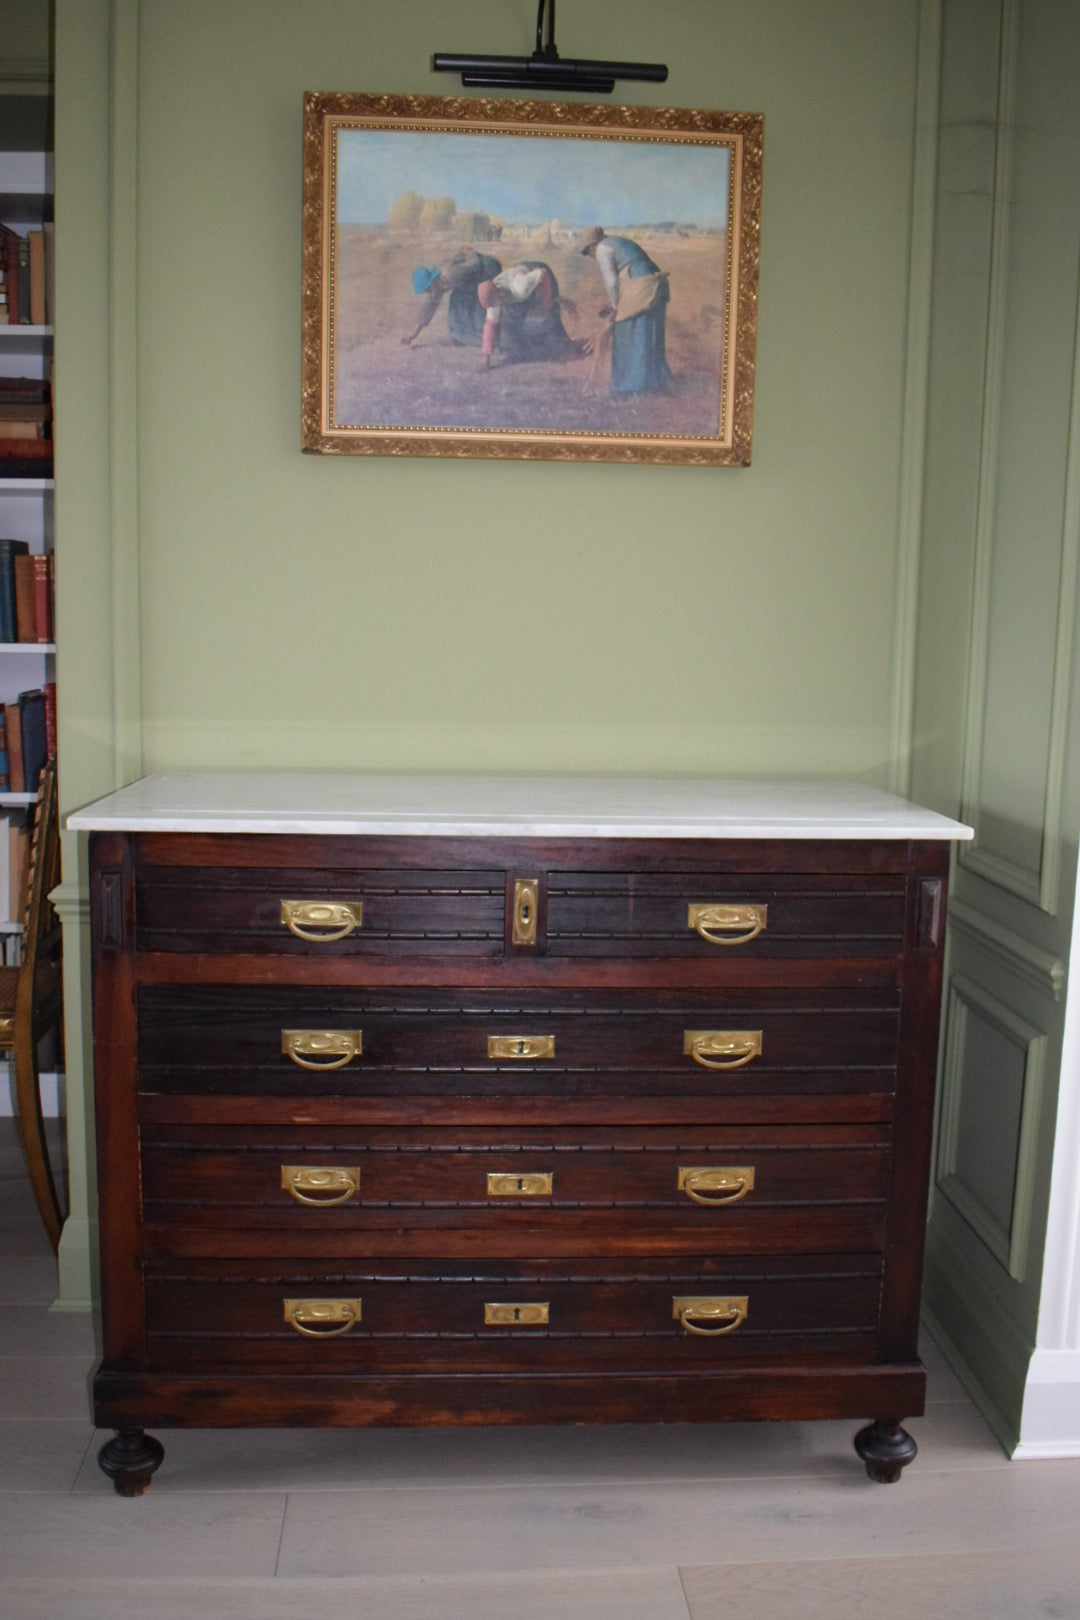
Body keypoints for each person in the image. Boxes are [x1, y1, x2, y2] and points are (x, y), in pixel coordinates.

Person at [580, 226, 671, 394]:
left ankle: (629, 386)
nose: (590, 256)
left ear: (593, 245)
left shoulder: (602, 249)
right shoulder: (618, 242)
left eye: (588, 251)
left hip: (640, 283)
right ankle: (655, 381)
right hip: (653, 282)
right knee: (649, 329)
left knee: (625, 330)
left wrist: (615, 308)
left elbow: (612, 283)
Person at [474, 261, 589, 368]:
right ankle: (514, 352)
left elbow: (542, 274)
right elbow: (490, 324)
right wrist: (486, 355)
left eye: (494, 302)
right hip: (518, 281)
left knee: (548, 316)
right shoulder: (493, 300)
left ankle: (564, 349)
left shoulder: (520, 287)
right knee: (508, 319)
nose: (493, 305)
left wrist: (545, 303)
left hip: (540, 276)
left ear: (498, 294)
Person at [402, 249, 502, 347]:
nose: (426, 292)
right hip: (472, 276)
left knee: (470, 301)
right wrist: (415, 330)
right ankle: (460, 336)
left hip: (487, 268)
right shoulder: (437, 282)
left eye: (426, 289)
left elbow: (475, 262)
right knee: (457, 302)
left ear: (430, 282)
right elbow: (430, 305)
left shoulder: (450, 274)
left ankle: (488, 336)